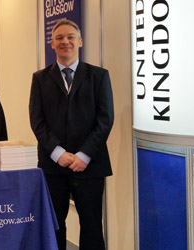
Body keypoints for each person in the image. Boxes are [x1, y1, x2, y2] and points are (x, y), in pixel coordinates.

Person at [29, 19, 114, 250]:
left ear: (80, 41)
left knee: (92, 225)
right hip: (53, 165)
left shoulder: (99, 76)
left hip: (90, 165)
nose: (65, 41)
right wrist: (58, 153)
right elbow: (37, 122)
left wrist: (83, 155)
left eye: (70, 37)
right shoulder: (40, 79)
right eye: (59, 38)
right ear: (52, 43)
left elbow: (105, 120)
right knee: (55, 225)